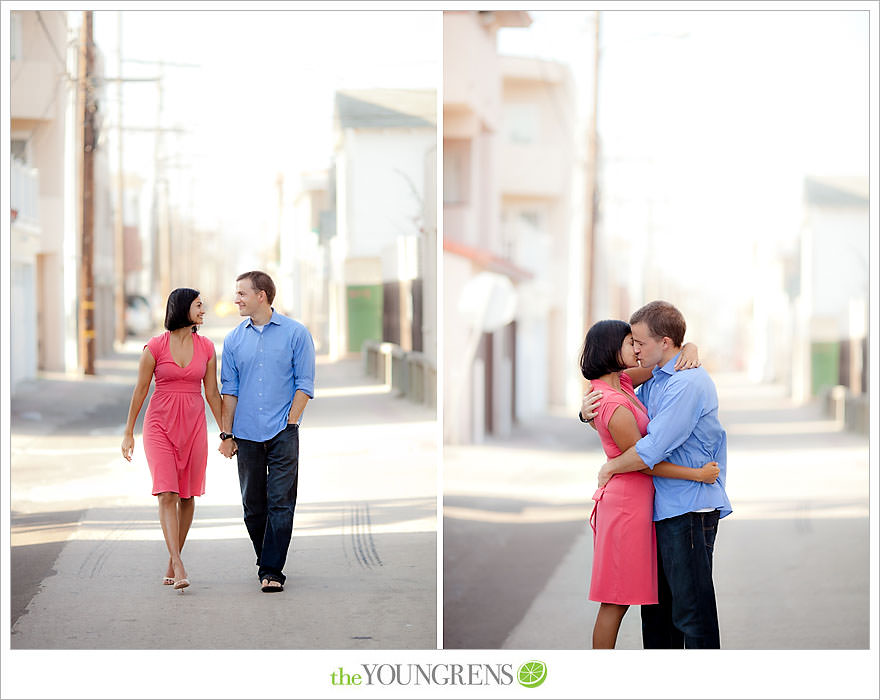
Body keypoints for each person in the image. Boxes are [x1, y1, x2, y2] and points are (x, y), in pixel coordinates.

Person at [590, 301, 732, 648]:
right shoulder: (654, 379)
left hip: (688, 509)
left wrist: (611, 466)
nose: (635, 349)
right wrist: (586, 411)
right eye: (631, 342)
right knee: (658, 616)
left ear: (665, 342)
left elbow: (652, 449)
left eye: (639, 341)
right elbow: (611, 396)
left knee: (691, 615)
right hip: (660, 508)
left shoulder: (686, 384)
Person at [218, 271, 315, 593]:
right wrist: (226, 434)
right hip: (245, 434)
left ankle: (272, 570)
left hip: (282, 431)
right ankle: (267, 560)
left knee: (282, 503)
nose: (237, 300)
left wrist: (291, 420)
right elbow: (229, 390)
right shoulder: (233, 339)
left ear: (262, 295)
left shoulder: (296, 333)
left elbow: (305, 383)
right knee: (253, 506)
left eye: (242, 294)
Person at [121, 288, 222, 590]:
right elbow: (140, 391)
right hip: (159, 425)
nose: (203, 310)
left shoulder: (206, 348)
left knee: (187, 495)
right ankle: (178, 563)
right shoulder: (154, 347)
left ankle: (172, 557)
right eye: (198, 306)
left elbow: (212, 393)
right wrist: (128, 432)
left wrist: (226, 432)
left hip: (193, 425)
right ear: (181, 309)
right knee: (167, 493)